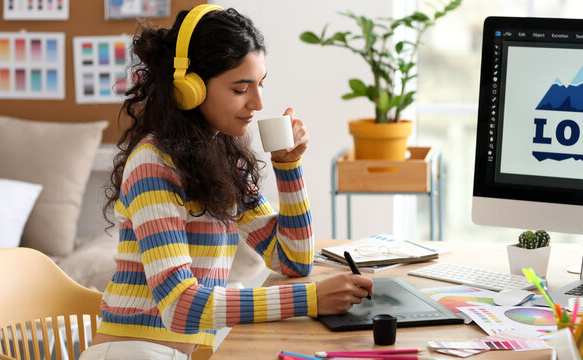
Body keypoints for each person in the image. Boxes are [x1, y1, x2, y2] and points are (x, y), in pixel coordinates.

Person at [80, 4, 373, 360]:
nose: (258, 103)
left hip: (189, 353)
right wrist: (311, 299)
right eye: (240, 88)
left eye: (260, 84)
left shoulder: (223, 159)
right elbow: (180, 304)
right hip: (134, 352)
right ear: (190, 88)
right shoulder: (152, 163)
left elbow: (292, 260)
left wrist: (288, 165)